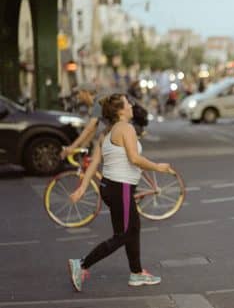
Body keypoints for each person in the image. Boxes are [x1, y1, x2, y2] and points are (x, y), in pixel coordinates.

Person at [67, 93, 176, 292]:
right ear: (120, 110)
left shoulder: (106, 133)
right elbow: (135, 159)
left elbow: (94, 162)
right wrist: (158, 167)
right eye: (128, 103)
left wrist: (82, 188)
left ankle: (136, 273)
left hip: (109, 187)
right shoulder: (126, 128)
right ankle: (82, 264)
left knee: (131, 229)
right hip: (121, 188)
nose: (131, 106)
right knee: (124, 234)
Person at [60, 82, 102, 160]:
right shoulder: (94, 105)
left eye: (79, 93)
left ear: (85, 92)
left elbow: (89, 129)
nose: (77, 96)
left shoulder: (98, 104)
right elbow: (93, 130)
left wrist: (72, 147)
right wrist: (81, 148)